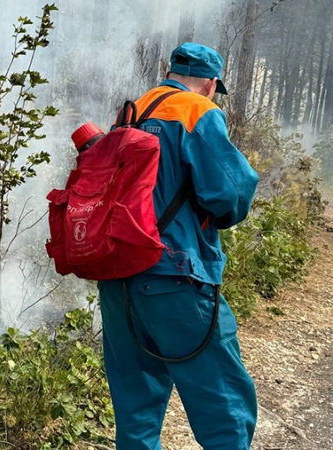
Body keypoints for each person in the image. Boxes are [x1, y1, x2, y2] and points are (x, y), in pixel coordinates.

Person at [98, 42, 259, 450]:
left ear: (171, 70)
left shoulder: (130, 112)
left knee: (136, 409)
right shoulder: (196, 111)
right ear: (210, 83)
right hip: (175, 276)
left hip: (119, 279)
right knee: (223, 404)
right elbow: (231, 191)